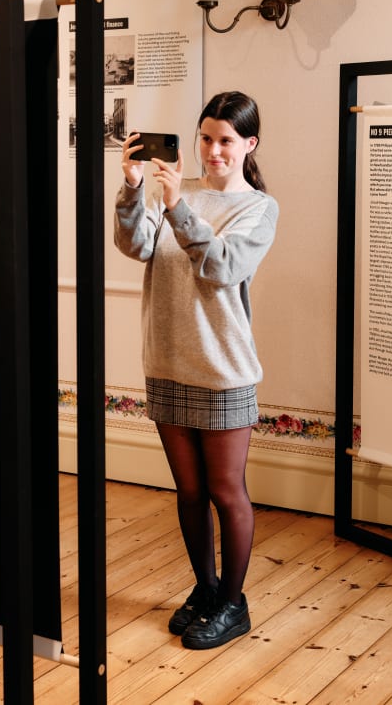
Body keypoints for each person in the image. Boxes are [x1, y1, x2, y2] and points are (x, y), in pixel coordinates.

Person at [113, 91, 279, 650]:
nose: (212, 151)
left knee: (226, 491)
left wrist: (178, 205)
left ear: (248, 144)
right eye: (205, 138)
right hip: (167, 359)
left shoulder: (258, 208)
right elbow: (133, 244)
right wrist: (136, 189)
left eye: (225, 141)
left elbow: (221, 266)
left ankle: (234, 603)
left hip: (223, 368)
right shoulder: (169, 196)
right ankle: (206, 589)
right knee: (188, 492)